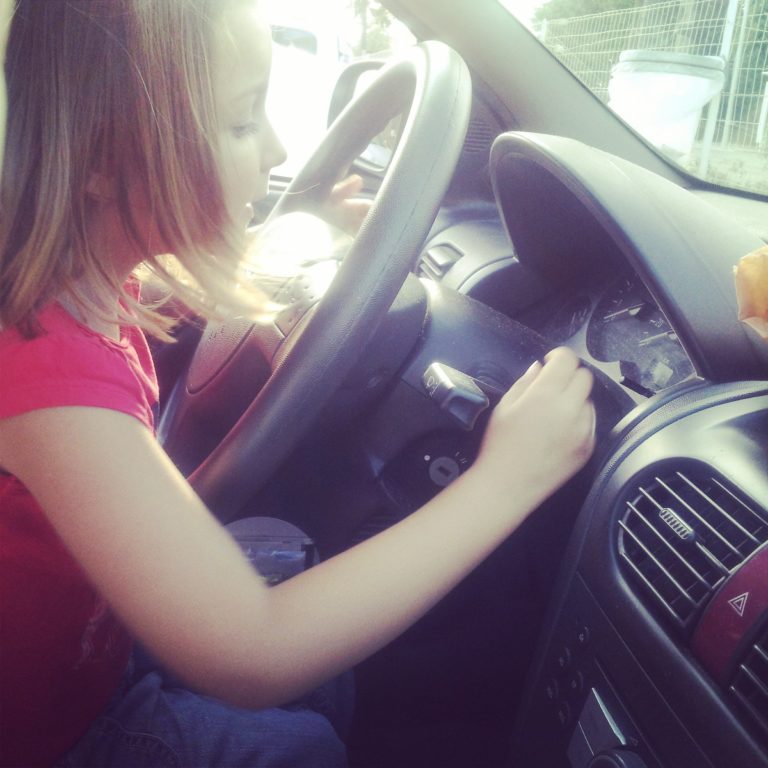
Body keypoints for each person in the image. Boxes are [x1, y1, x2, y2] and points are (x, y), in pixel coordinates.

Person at [0, 1, 596, 766]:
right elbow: (254, 650)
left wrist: (301, 222)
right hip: (46, 732)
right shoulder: (48, 376)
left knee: (332, 682)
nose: (278, 147)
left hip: (85, 650)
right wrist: (507, 479)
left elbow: (180, 294)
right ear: (101, 160)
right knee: (303, 746)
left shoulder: (86, 288)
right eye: (243, 122)